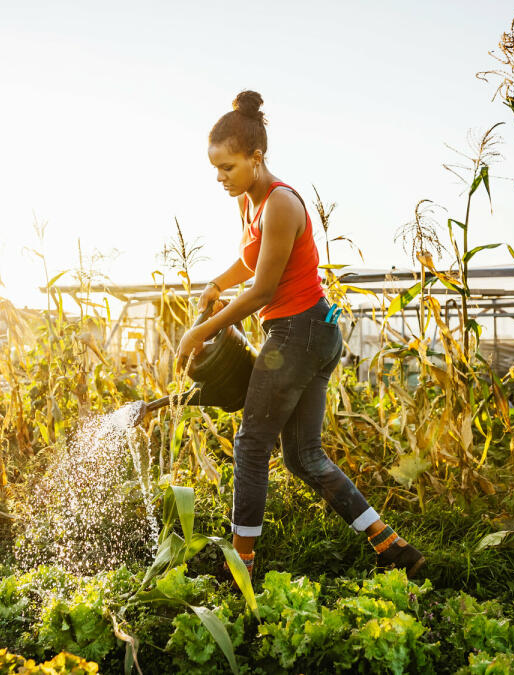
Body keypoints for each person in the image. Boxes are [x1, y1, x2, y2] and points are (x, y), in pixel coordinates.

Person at [176, 91, 425, 579]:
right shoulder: (250, 204)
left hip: (299, 334)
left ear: (256, 157)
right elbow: (252, 262)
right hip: (308, 333)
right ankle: (392, 547)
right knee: (303, 457)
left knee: (251, 445)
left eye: (227, 167)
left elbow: (265, 288)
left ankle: (240, 565)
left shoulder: (281, 204)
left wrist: (200, 331)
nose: (220, 177)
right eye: (215, 168)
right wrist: (215, 285)